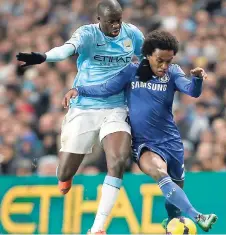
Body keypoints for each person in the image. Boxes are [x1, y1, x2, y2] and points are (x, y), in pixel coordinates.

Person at [66, 30, 218, 232]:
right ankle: (199, 216)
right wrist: (80, 89)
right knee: (159, 173)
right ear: (147, 55)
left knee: (174, 201)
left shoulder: (173, 72)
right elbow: (106, 88)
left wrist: (197, 79)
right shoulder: (131, 71)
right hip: (144, 144)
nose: (164, 66)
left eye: (168, 60)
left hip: (172, 143)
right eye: (160, 61)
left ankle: (172, 222)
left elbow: (192, 91)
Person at [16, 0, 144, 234]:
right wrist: (43, 57)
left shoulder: (132, 34)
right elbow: (66, 50)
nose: (116, 25)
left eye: (119, 20)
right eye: (110, 21)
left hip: (117, 107)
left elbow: (148, 60)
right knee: (64, 172)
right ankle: (66, 177)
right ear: (99, 21)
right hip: (84, 106)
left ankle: (97, 228)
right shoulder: (87, 34)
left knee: (117, 161)